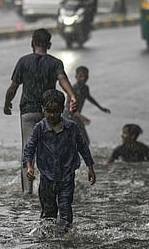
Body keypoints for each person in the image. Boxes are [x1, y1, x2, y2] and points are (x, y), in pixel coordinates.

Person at [3, 28, 77, 195]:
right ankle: (50, 188)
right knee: (51, 149)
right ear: (49, 45)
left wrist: (7, 103)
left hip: (28, 112)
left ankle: (27, 192)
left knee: (27, 150)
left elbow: (12, 88)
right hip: (49, 114)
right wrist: (72, 95)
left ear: (32, 44)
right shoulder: (55, 63)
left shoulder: (23, 62)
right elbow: (63, 79)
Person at [23, 89, 96, 234]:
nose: (52, 115)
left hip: (67, 177)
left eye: (55, 111)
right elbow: (29, 149)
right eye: (48, 111)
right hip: (46, 177)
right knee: (48, 212)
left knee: (65, 208)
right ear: (42, 109)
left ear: (62, 110)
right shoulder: (40, 128)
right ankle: (49, 238)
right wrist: (29, 167)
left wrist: (90, 167)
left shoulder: (71, 127)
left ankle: (64, 237)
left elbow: (82, 146)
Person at [64, 66, 110, 146]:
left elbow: (89, 97)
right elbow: (69, 107)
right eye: (81, 76)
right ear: (76, 76)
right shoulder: (72, 89)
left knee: (84, 141)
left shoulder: (85, 88)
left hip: (77, 117)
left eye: (86, 76)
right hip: (68, 116)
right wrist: (81, 117)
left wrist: (101, 108)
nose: (83, 78)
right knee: (81, 140)